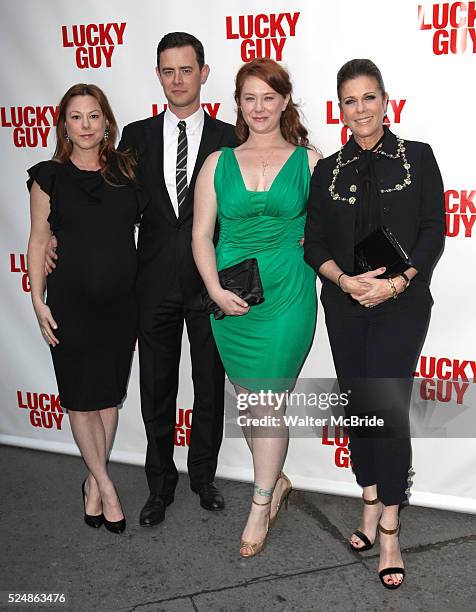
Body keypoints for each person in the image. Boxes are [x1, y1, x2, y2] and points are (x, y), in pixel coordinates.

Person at [304, 59, 445, 588]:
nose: (359, 110)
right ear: (339, 109)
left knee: (385, 407)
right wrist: (343, 282)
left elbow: (434, 231)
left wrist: (398, 282)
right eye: (349, 101)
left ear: (386, 101)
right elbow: (313, 241)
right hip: (344, 304)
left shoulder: (418, 158)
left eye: (368, 98)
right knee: (358, 405)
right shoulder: (328, 170)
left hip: (401, 304)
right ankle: (368, 499)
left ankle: (389, 522)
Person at [192, 58, 320, 558]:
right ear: (239, 104)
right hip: (231, 295)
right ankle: (277, 481)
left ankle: (260, 502)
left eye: (270, 97)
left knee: (267, 401)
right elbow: (201, 234)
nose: (260, 107)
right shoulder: (217, 163)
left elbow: (331, 228)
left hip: (288, 294)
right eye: (250, 98)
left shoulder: (309, 161)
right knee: (249, 401)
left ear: (285, 101)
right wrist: (213, 290)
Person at [118, 32, 237, 525]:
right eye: (168, 71)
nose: (177, 80)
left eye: (186, 69)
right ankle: (159, 485)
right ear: (158, 75)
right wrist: (57, 234)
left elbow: (255, 204)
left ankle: (203, 477)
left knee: (209, 386)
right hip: (153, 285)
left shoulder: (232, 137)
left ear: (204, 72)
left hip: (211, 284)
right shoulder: (136, 136)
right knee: (156, 387)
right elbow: (110, 205)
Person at [27, 84, 145, 534]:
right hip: (69, 304)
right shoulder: (47, 177)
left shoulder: (127, 173)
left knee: (108, 398)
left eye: (93, 116)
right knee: (80, 400)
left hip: (121, 303)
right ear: (64, 125)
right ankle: (107, 487)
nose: (85, 125)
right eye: (76, 117)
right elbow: (39, 240)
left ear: (106, 122)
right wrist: (37, 300)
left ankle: (93, 484)